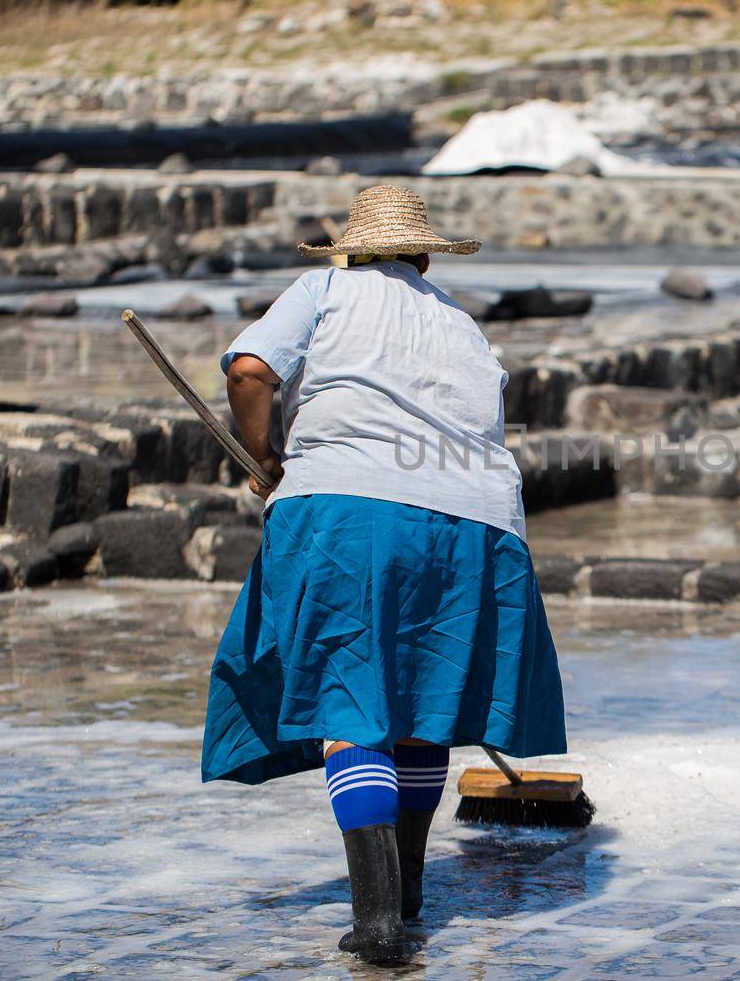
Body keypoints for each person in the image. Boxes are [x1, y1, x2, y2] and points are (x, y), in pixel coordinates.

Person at [200, 185, 568, 965]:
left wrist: (268, 458)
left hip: (352, 515)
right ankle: (406, 894)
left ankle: (376, 922)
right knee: (419, 710)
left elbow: (250, 371)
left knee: (352, 700)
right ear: (425, 255)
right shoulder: (462, 325)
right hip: (476, 525)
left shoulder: (326, 288)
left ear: (349, 250)